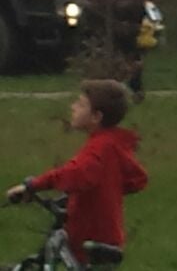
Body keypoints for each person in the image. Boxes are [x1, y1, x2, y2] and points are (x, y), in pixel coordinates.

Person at [5, 81, 148, 266]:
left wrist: (32, 185)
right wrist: (103, 190)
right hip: (109, 233)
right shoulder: (114, 144)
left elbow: (74, 173)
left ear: (96, 116)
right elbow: (137, 179)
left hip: (89, 235)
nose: (73, 107)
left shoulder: (99, 148)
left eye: (80, 104)